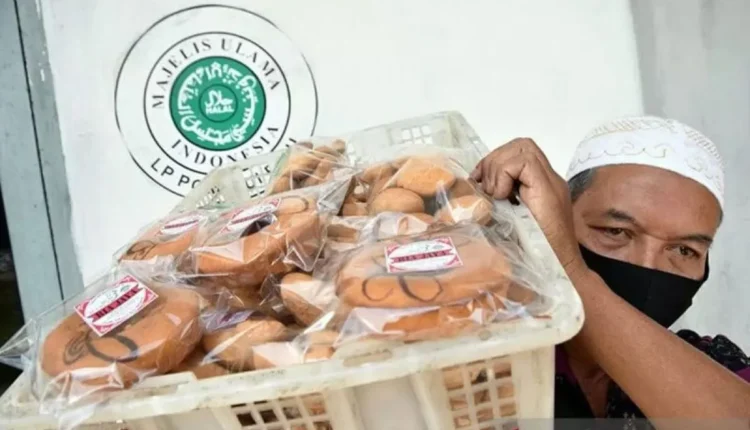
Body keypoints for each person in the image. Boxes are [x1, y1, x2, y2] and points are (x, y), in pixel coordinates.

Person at [471, 116, 750, 428]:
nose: (647, 267)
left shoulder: (718, 367)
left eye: (684, 250)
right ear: (560, 218)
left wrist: (572, 274)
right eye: (616, 231)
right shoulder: (483, 355)